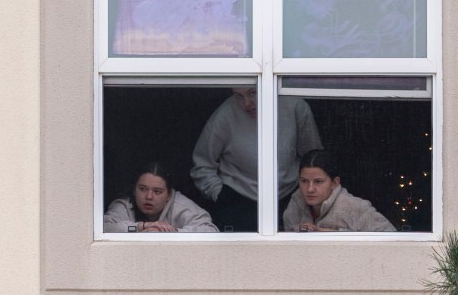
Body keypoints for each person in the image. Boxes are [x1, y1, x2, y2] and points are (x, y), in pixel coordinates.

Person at [190, 87, 321, 230]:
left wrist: (306, 192)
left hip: (290, 198)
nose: (246, 103)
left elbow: (313, 158)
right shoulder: (224, 115)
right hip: (237, 200)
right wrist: (220, 194)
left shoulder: (295, 106)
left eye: (253, 93)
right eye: (239, 96)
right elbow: (202, 166)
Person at [282, 150, 395, 233]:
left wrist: (334, 234)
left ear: (334, 183)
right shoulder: (296, 202)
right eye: (304, 181)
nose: (310, 189)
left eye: (318, 182)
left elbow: (391, 235)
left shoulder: (353, 206)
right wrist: (296, 231)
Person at [103, 163, 218, 233]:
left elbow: (210, 231)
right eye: (143, 189)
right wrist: (140, 227)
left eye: (157, 191)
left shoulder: (181, 205)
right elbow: (104, 228)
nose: (149, 196)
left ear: (169, 195)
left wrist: (173, 233)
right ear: (134, 189)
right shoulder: (125, 205)